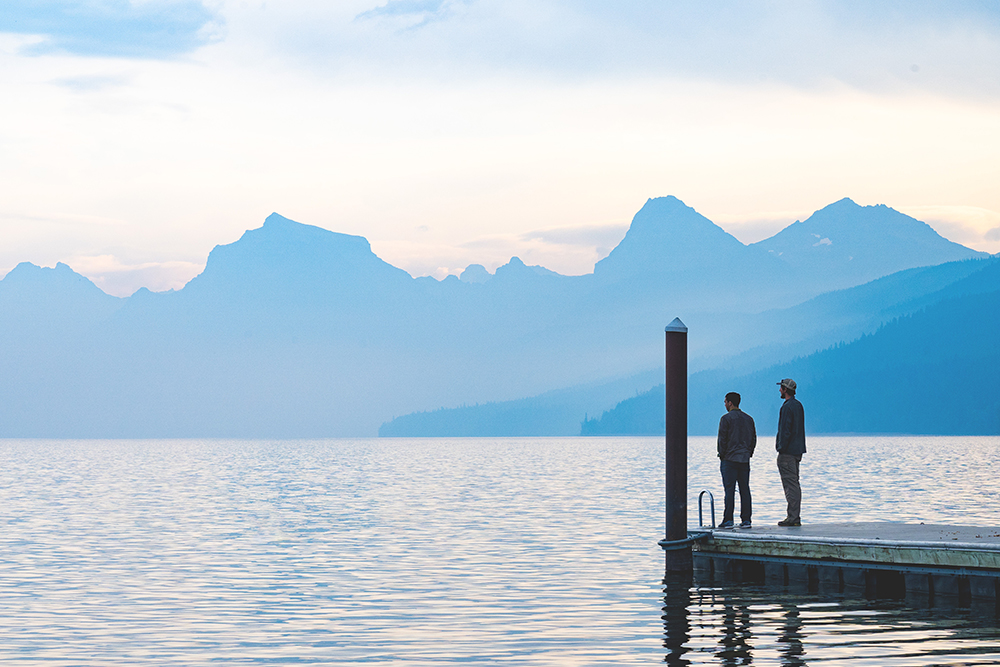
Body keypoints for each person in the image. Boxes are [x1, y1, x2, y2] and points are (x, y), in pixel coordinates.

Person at [717, 391, 756, 529]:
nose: (725, 404)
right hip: (744, 460)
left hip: (729, 460)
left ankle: (728, 520)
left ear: (730, 403)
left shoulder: (725, 419)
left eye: (725, 402)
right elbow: (753, 439)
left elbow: (722, 440)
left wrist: (722, 455)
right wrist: (748, 453)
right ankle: (746, 520)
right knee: (744, 489)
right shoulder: (749, 419)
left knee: (729, 490)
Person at [775, 378, 806, 527]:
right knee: (794, 483)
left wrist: (781, 447)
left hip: (787, 452)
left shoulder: (787, 407)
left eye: (781, 388)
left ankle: (793, 517)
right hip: (797, 450)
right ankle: (794, 515)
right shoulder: (798, 405)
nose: (780, 390)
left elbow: (785, 430)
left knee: (790, 485)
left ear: (786, 389)